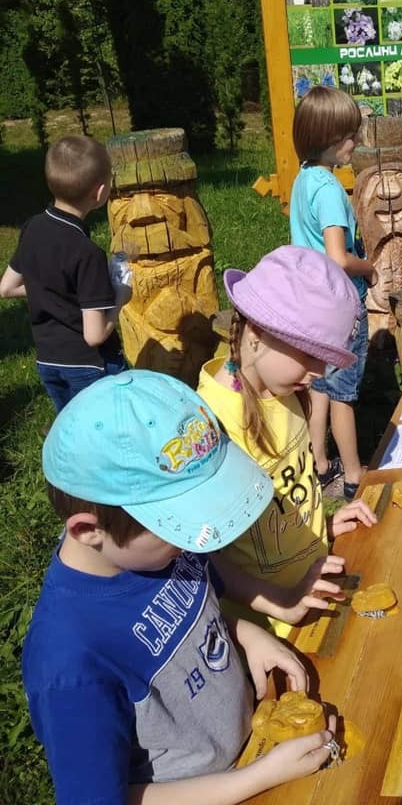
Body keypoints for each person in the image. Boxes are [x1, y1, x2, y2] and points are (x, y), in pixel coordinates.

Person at [22, 369, 338, 805]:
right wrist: (256, 778)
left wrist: (246, 634)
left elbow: (196, 603)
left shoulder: (151, 552)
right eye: (180, 528)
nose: (199, 538)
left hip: (255, 749)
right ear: (87, 530)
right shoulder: (71, 662)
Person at [197, 245, 377, 638]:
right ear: (257, 333)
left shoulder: (284, 390)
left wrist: (321, 527)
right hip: (275, 625)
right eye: (309, 355)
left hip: (315, 585)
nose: (319, 372)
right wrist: (282, 602)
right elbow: (201, 554)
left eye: (325, 359)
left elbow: (285, 494)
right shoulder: (212, 427)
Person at [289, 85, 377, 499]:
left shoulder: (304, 179)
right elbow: (339, 258)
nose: (356, 142)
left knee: (320, 383)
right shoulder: (328, 189)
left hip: (312, 302)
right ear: (328, 139)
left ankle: (319, 463)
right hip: (340, 304)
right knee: (343, 392)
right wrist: (369, 268)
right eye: (349, 136)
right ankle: (355, 475)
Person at [0, 135, 129, 412]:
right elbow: (94, 335)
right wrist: (120, 297)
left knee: (71, 424)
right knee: (109, 425)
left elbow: (7, 288)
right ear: (100, 192)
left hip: (48, 361)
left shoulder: (33, 227)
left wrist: (53, 290)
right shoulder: (87, 253)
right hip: (89, 366)